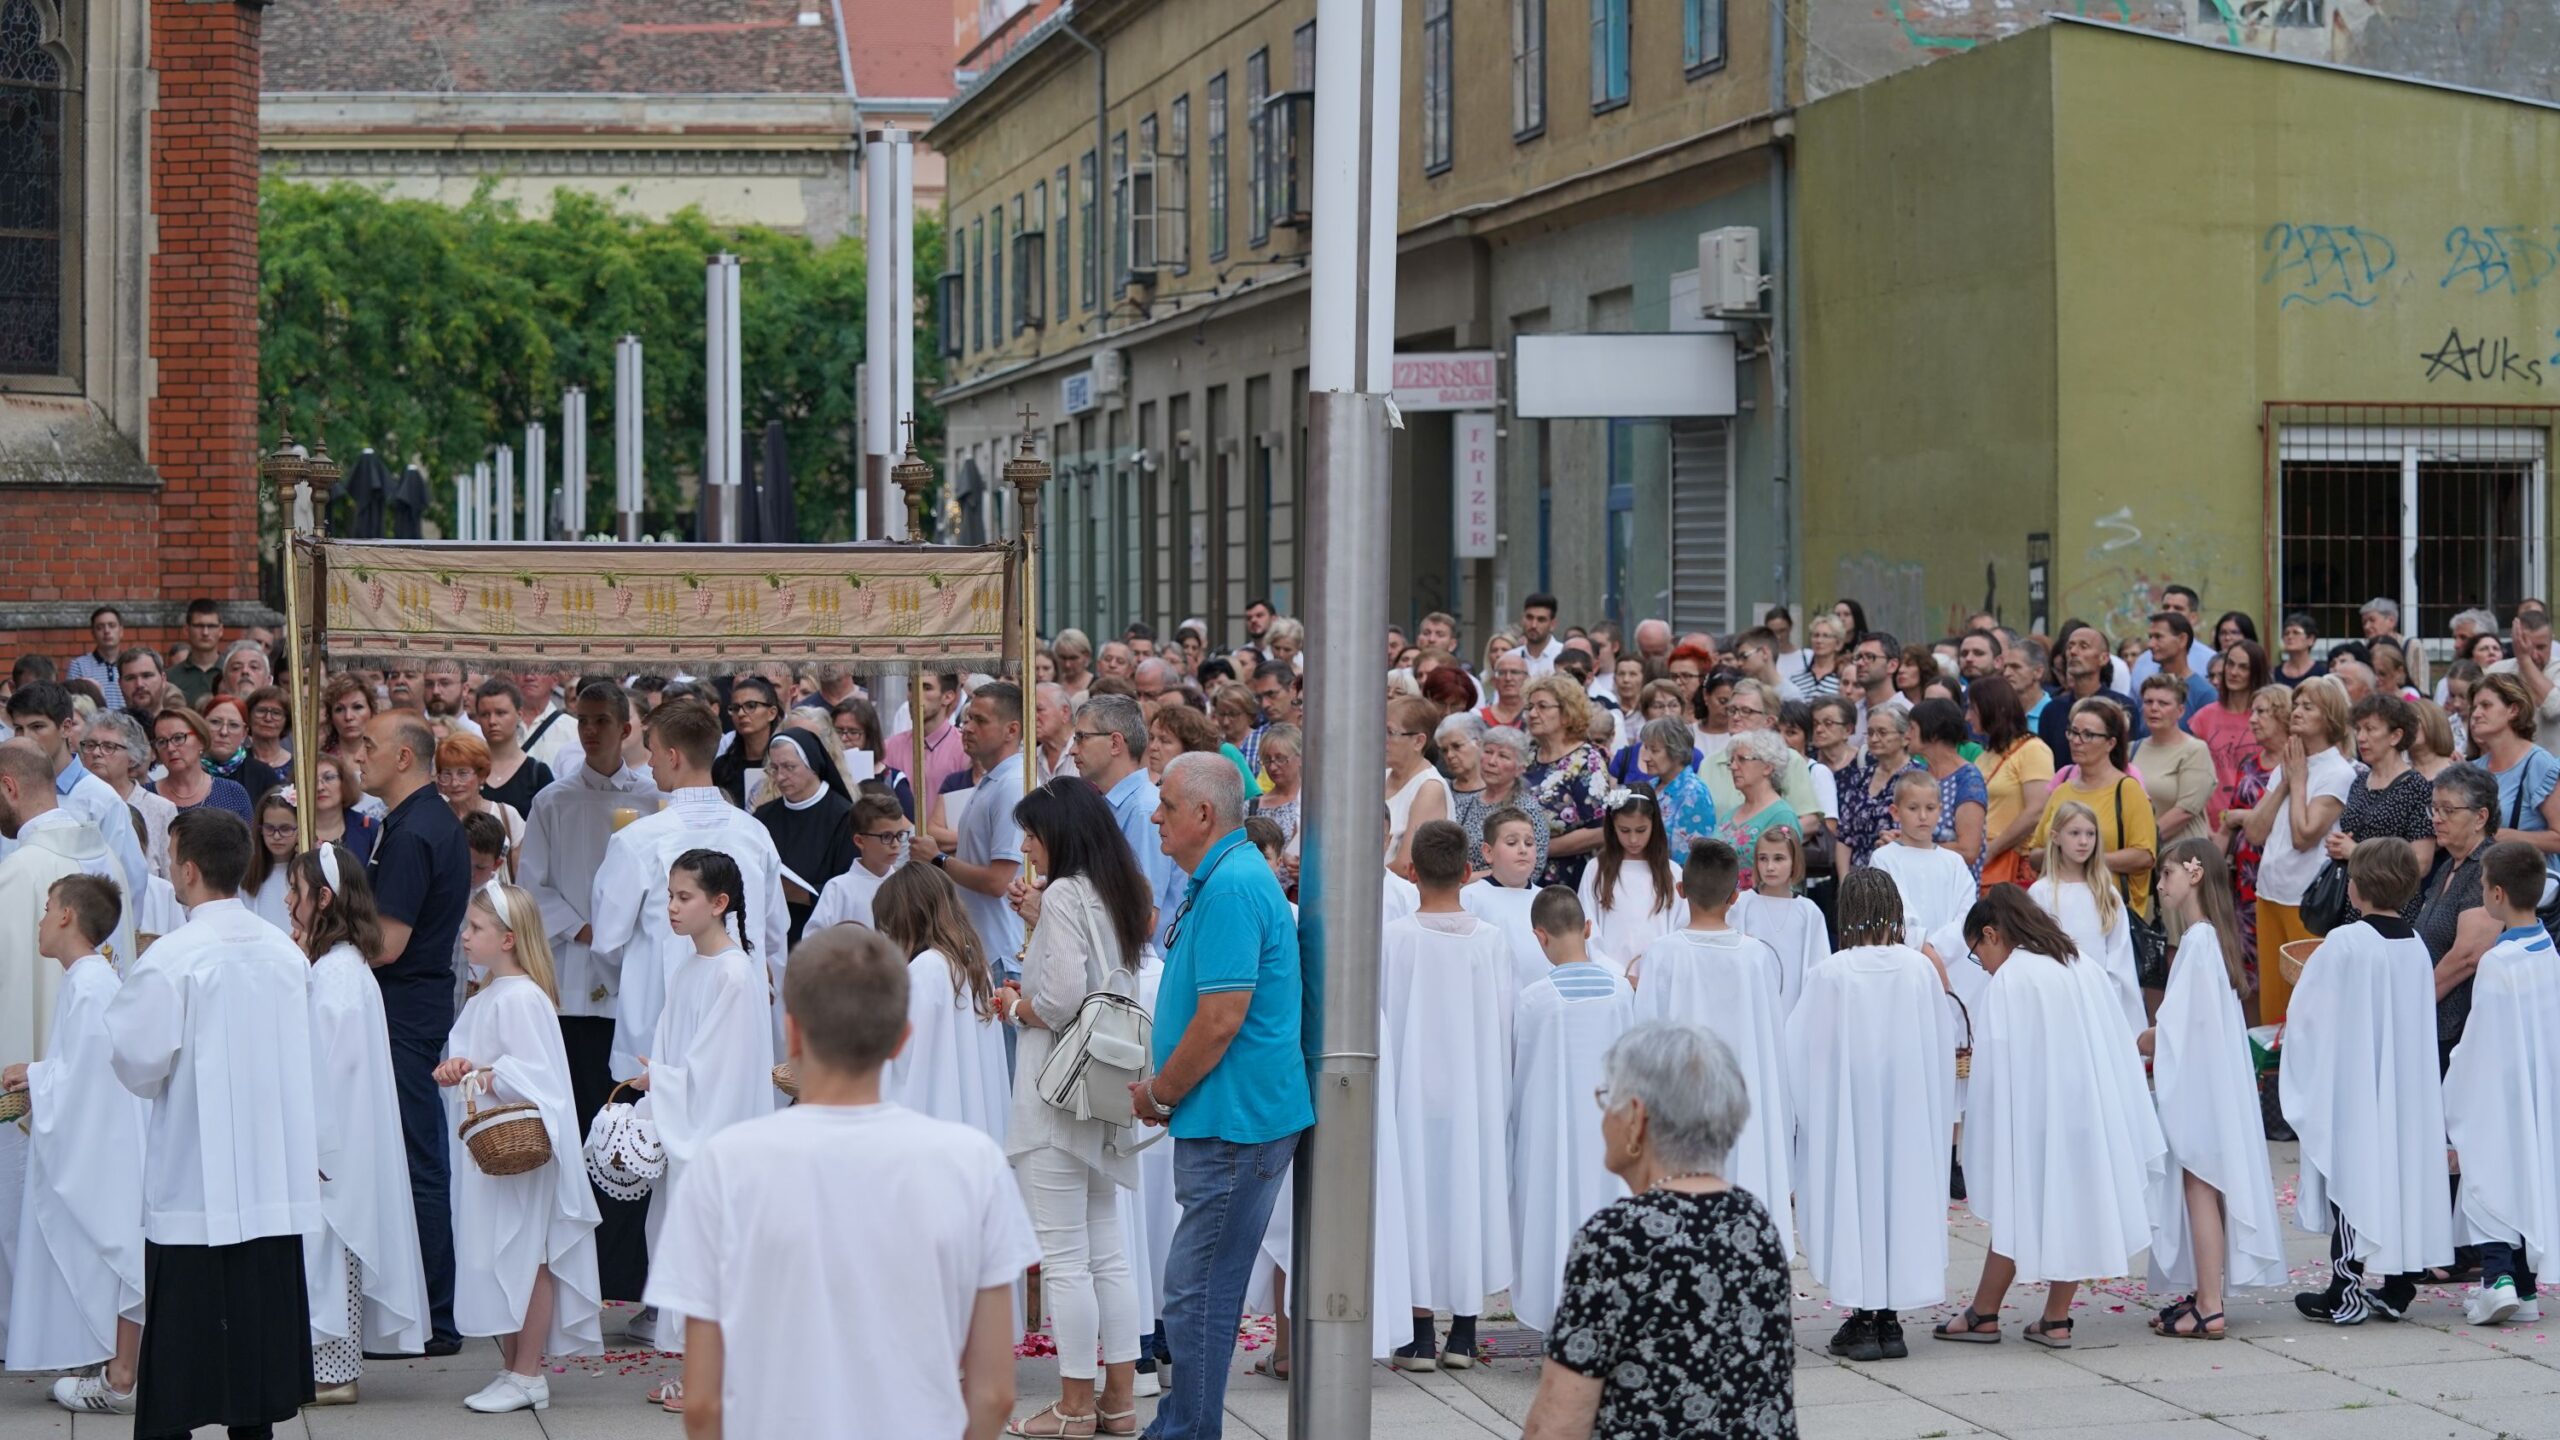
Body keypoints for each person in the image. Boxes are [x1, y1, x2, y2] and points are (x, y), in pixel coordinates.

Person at [644, 924, 1036, 1439]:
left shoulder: (725, 1165)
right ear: (902, 1039)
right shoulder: (973, 1164)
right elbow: (992, 1393)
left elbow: (701, 1402)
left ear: (793, 1034)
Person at [106, 808, 323, 1436]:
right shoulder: (284, 953)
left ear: (190, 870)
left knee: (180, 1353)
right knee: (255, 1355)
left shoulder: (173, 957)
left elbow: (139, 1063)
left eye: (172, 859)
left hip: (193, 1179)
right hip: (269, 1178)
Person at [1132, 752, 1311, 1440]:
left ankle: (1186, 1431)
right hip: (1233, 1117)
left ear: (1203, 814)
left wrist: (1158, 1091)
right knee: (1199, 1288)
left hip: (1237, 1121)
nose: (1156, 818)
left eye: (1167, 806)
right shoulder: (1228, 876)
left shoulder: (1234, 884)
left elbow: (1221, 1019)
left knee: (1197, 1291)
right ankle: (1185, 1424)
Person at [1521, 1021, 1794, 1440]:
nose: (1604, 1116)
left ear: (1637, 1120)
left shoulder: (1615, 1239)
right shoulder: (1755, 1223)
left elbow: (1560, 1422)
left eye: (1608, 1099)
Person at [987, 779, 1152, 1437]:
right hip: (1103, 1087)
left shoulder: (1062, 895)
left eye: (1033, 832)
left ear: (1061, 834)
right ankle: (1117, 1399)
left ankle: (1076, 1406)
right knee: (1106, 1249)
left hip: (1057, 1088)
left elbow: (1054, 1003)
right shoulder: (1116, 890)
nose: (1025, 844)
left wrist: (1010, 1004)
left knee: (1063, 1255)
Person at [1934, 887, 2164, 1348]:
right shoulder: (2079, 963)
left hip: (2036, 1113)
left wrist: (1981, 1126)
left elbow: (1995, 1066)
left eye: (1979, 956)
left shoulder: (2012, 979)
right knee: (2073, 1208)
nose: (1985, 966)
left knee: (2019, 1206)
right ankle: (2054, 1318)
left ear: (1992, 934)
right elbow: (2114, 1038)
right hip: (2089, 1110)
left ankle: (1984, 1313)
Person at [511, 679, 662, 1302]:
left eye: (603, 720)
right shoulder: (553, 800)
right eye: (583, 720)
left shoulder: (657, 800)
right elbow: (532, 885)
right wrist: (585, 924)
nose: (591, 730)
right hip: (576, 983)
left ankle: (630, 1271)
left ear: (628, 728)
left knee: (630, 1130)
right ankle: (581, 1267)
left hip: (636, 985)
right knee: (580, 1125)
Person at [437, 880, 604, 1410]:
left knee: (527, 1255)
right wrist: (458, 1069)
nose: (465, 936)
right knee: (498, 1254)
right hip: (488, 1152)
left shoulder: (524, 998)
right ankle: (513, 1368)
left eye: (476, 928)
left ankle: (529, 1372)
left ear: (508, 938)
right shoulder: (488, 995)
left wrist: (485, 1073)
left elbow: (540, 1080)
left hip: (521, 1155)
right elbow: (476, 1061)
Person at [2279, 837, 2453, 1324]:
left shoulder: (2346, 943)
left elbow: (2309, 1016)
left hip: (2359, 1085)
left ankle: (2345, 1289)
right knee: (2400, 1177)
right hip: (2405, 1086)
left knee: (2355, 1175)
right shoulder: (2416, 944)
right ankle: (2397, 1285)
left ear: (2356, 889)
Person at [349, 708, 477, 1356]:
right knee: (410, 1155)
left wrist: (326, 944)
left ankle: (433, 1312)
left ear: (404, 757)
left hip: (406, 1010)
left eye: (368, 744)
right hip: (411, 1007)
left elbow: (389, 941)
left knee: (416, 1157)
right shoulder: (412, 822)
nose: (356, 754)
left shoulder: (414, 831)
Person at [1787, 870, 1953, 1362]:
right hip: (1906, 1106)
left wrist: (1811, 1110)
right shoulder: (1919, 970)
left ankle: (1864, 1317)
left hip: (1851, 1109)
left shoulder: (1832, 973)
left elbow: (1802, 1048)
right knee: (1899, 1197)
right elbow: (1941, 1044)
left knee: (1855, 1198)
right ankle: (1890, 1321)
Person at [288, 844, 431, 1403]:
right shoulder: (336, 968)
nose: (286, 902)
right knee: (326, 1256)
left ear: (324, 899)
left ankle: (334, 1371)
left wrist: (315, 1144)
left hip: (333, 1145)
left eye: (295, 893)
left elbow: (329, 1070)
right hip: (338, 1142)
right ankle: (327, 1366)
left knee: (330, 1253)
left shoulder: (339, 977)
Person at [591, 698, 790, 1096]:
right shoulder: (754, 834)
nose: (649, 765)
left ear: (672, 755)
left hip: (655, 1016)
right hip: (736, 1020)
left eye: (652, 753)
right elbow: (773, 936)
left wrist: (634, 985)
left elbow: (608, 943)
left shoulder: (637, 841)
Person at [1375, 820, 1516, 1373]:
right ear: (1466, 872)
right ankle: (1464, 1329)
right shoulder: (1492, 941)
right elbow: (1503, 1021)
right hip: (1474, 1089)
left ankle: (1419, 1334)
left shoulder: (1394, 938)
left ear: (1412, 873)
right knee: (1468, 1195)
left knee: (1417, 1200)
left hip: (1411, 1093)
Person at [633, 849, 777, 1388]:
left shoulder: (735, 975)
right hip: (687, 1128)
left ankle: (716, 1380)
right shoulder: (691, 965)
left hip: (719, 1136)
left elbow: (726, 1071)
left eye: (683, 897)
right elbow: (677, 1049)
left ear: (719, 904)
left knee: (715, 1250)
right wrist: (662, 1084)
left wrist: (663, 1081)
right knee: (683, 1246)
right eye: (669, 895)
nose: (671, 907)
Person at [3, 874, 145, 1412]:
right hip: (105, 1133)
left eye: (46, 908)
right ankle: (108, 1359)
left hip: (106, 1142)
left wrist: (36, 1076)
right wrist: (41, 1073)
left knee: (109, 1242)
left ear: (66, 916)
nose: (40, 920)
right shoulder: (88, 980)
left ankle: (118, 1376)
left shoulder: (89, 983)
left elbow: (86, 1074)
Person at [2143, 840, 2287, 1339]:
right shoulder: (2212, 940)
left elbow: (2179, 1025)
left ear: (2195, 872)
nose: (2161, 885)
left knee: (2200, 1183)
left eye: (2167, 874)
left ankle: (2208, 1302)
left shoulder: (2200, 942)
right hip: (2211, 1080)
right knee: (2204, 1184)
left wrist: (2136, 1038)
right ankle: (2206, 1294)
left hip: (2201, 1086)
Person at [1627, 840, 1791, 1223]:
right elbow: (1772, 1040)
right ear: (1736, 896)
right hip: (1744, 1097)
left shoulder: (1664, 953)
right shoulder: (1755, 956)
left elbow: (1644, 1036)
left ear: (1680, 890)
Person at [1508, 885, 1636, 1338]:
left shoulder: (1533, 1000)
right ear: (1588, 928)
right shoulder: (1622, 992)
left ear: (1539, 937)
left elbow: (1517, 1073)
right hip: (1610, 1136)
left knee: (1552, 1215)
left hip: (1550, 1134)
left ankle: (1559, 1323)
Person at [2441, 840, 2557, 1327]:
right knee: (2528, 1180)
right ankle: (2526, 1290)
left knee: (2487, 1180)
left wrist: (2455, 1078)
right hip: (2538, 1091)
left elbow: (2482, 1035)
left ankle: (2497, 1280)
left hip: (2498, 1091)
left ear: (2496, 895)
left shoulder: (2496, 962)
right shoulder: (2550, 953)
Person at [0, 739, 134, 1064]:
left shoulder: (19, 873)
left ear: (8, 786)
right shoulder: (108, 859)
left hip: (35, 1087)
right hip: (107, 1070)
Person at [2245, 676, 2356, 1023]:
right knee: (2273, 1000)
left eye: (2308, 706)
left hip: (2305, 898)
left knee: (2305, 1001)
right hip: (2269, 891)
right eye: (2297, 704)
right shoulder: (2291, 762)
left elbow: (2304, 835)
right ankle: (2272, 1074)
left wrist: (2299, 780)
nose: (2297, 712)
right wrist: (2287, 780)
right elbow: (2254, 830)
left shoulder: (2338, 771)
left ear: (2330, 717)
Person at [7, 681, 148, 894]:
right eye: (19, 728)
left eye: (37, 727)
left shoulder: (101, 799)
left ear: (65, 727)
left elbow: (129, 884)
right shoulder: (8, 791)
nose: (26, 738)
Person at [753, 728, 856, 946]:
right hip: (775, 937)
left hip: (826, 939)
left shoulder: (844, 816)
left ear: (813, 764)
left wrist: (803, 894)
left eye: (790, 767)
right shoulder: (763, 816)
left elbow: (852, 887)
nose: (780, 776)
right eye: (775, 768)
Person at [1521, 675, 1612, 889]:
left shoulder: (1586, 761)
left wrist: (1540, 849)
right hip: (1520, 877)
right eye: (1530, 706)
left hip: (1566, 881)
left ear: (1566, 714)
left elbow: (1601, 830)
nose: (1533, 714)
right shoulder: (1527, 757)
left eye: (1542, 706)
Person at [1576, 786, 1682, 968]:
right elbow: (1587, 930)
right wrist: (1616, 974)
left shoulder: (1672, 872)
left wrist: (1655, 973)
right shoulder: (1596, 870)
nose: (1633, 839)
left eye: (1641, 830)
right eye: (1624, 830)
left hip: (1659, 977)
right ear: (1612, 826)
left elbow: (1680, 929)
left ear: (1654, 825)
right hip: (1610, 981)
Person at [1968, 677, 2053, 891]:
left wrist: (1992, 850)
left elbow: (2036, 811)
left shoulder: (2033, 749)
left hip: (2015, 863)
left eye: (1973, 709)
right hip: (1984, 859)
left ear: (1991, 709)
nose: (1967, 716)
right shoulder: (1983, 757)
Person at [1873, 770, 1977, 945]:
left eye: (1930, 808)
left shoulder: (1954, 862)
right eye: (1913, 808)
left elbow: (1966, 914)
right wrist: (1921, 946)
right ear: (1895, 812)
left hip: (1951, 959)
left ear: (1940, 810)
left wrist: (1937, 948)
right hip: (1905, 959)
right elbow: (1894, 912)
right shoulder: (1884, 858)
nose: (1923, 816)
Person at [1463, 806, 1558, 988]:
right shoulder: (1470, 898)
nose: (1523, 850)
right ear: (1488, 852)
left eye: (1529, 843)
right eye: (1512, 843)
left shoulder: (1548, 900)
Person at [808, 792, 915, 933]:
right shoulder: (838, 888)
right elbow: (815, 941)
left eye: (900, 835)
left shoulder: (906, 886)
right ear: (860, 841)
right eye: (886, 836)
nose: (895, 844)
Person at [2036, 623, 2146, 759]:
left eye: (2083, 646)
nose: (2073, 652)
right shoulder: (2052, 710)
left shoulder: (2122, 707)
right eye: (2070, 647)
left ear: (2103, 658)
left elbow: (2127, 760)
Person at [2132, 675, 2216, 850]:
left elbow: (2185, 812)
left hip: (2182, 857)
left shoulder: (2195, 750)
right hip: (2140, 862)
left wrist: (2141, 844)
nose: (2154, 708)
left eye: (2163, 703)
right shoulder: (2132, 749)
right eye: (2148, 702)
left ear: (2180, 711)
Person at [1910, 698, 1988, 876]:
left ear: (1934, 733)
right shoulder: (1918, 774)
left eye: (1913, 728)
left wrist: (1912, 847)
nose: (1907, 734)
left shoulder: (1967, 779)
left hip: (1952, 888)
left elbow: (1968, 851)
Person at [436, 731, 526, 873]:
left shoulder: (506, 815)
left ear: (482, 776)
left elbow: (521, 875)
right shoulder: (434, 819)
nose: (454, 783)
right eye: (447, 774)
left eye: (462, 773)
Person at [1470, 726, 1552, 877]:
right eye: (1488, 752)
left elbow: (1532, 870)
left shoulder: (1527, 809)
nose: (1492, 761)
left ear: (1519, 769)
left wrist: (1467, 881)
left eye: (1503, 756)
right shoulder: (1468, 801)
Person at [148, 705, 252, 821]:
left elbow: (246, 839)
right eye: (162, 742)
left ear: (201, 740)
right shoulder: (145, 796)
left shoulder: (232, 793)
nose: (170, 748)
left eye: (178, 738)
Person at [469, 681, 556, 818]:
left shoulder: (537, 773)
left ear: (519, 714)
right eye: (485, 714)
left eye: (501, 713)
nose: (492, 721)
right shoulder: (467, 769)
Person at [1384, 695, 1451, 874]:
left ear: (1418, 741)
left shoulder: (1429, 788)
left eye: (1390, 732)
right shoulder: (1381, 776)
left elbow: (1408, 866)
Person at [1636, 716, 1715, 856]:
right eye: (1646, 748)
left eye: (1654, 751)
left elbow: (1688, 859)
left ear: (1677, 752)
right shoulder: (1651, 786)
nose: (1646, 757)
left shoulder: (1694, 793)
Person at [2485, 608, 2560, 754]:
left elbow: (2553, 708)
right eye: (2527, 647)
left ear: (2552, 640)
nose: (2534, 655)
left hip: (2553, 770)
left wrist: (2524, 659)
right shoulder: (2497, 672)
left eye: (2541, 647)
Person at [1714, 730, 1800, 857]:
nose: (1733, 766)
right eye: (1732, 760)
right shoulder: (1728, 816)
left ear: (1767, 767)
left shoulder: (1782, 816)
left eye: (1742, 759)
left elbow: (1787, 870)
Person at [201, 693, 285, 801]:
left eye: (233, 725)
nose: (224, 732)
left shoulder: (263, 775)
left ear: (244, 733)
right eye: (215, 722)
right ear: (201, 725)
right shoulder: (185, 769)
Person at [245, 785, 299, 932]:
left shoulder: (309, 873)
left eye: (285, 829)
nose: (276, 836)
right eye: (269, 828)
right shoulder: (249, 874)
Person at [168, 599, 222, 704]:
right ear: (186, 630)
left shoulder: (231, 672)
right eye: (199, 626)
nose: (205, 632)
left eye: (211, 626)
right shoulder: (170, 677)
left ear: (221, 630)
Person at [2276, 613, 2325, 685]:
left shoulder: (2322, 674)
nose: (2290, 637)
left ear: (2310, 639)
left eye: (2296, 633)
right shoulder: (2275, 674)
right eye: (2286, 633)